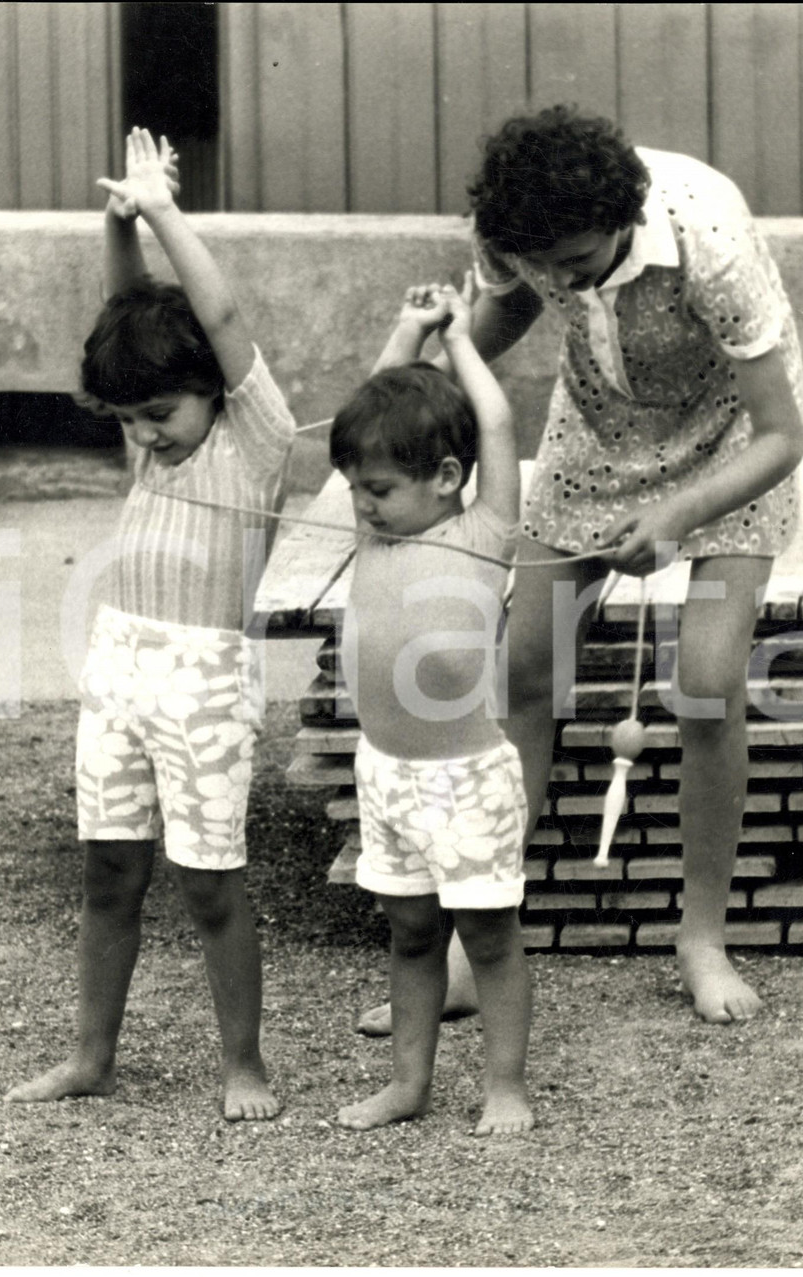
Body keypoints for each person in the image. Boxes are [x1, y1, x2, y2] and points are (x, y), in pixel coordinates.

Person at [359, 105, 803, 1033]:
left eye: (579, 259)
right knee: (524, 671)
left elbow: (782, 435)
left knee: (709, 684)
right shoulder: (522, 241)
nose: (562, 278)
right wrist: (437, 346)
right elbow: (508, 312)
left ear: (629, 218)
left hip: (732, 439)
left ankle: (701, 937)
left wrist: (680, 517)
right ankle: (476, 942)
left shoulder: (706, 232)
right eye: (543, 262)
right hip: (596, 434)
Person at [5, 128, 295, 1120]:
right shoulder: (151, 446)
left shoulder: (256, 442)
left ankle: (243, 1064)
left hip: (204, 678)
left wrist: (165, 210)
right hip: (119, 665)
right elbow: (123, 317)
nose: (143, 433)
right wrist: (116, 216)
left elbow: (218, 311)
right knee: (109, 871)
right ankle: (92, 1055)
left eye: (159, 413)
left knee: (211, 882)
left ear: (216, 385)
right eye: (128, 419)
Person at [331, 277, 533, 1136]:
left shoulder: (481, 531)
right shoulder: (374, 530)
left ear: (448, 478)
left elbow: (498, 427)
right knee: (410, 932)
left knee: (487, 938)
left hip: (465, 778)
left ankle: (506, 1084)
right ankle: (409, 1082)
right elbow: (367, 407)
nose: (360, 500)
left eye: (377, 486)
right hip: (388, 773)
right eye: (355, 485)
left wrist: (458, 342)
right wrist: (405, 329)